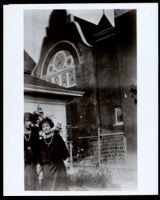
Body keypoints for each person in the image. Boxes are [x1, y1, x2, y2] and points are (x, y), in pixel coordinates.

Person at [38, 117, 69, 191]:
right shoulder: (41, 142)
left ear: (50, 126)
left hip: (58, 167)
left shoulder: (57, 137)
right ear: (42, 129)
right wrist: (41, 170)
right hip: (47, 169)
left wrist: (66, 162)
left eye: (47, 126)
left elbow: (64, 151)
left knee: (60, 188)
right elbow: (39, 157)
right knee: (48, 188)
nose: (46, 128)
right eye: (43, 127)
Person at [24, 112, 40, 190]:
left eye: (29, 121)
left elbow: (37, 146)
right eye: (26, 121)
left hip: (32, 160)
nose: (28, 123)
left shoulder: (34, 130)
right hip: (23, 160)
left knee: (32, 181)